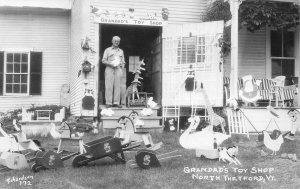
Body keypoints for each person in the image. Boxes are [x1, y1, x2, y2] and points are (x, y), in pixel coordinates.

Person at [102, 36, 125, 108]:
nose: (116, 42)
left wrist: (122, 67)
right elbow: (103, 60)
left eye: (118, 41)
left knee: (118, 86)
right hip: (109, 68)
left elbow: (123, 62)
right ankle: (108, 102)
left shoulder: (121, 51)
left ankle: (116, 102)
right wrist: (111, 63)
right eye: (115, 41)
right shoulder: (107, 50)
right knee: (109, 85)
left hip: (118, 69)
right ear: (112, 41)